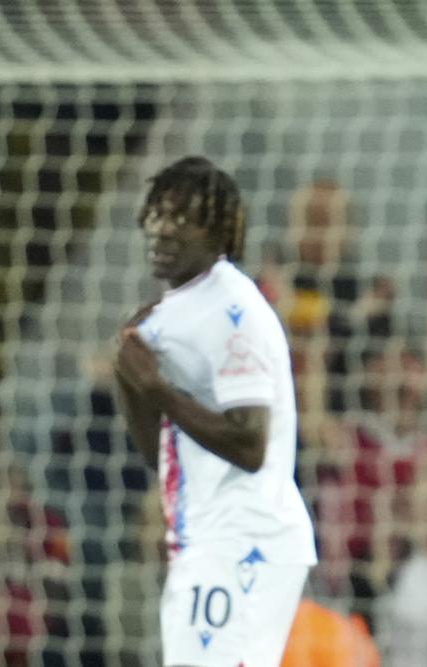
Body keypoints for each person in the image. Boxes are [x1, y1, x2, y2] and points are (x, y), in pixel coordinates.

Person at [113, 156, 317, 667]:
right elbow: (158, 454)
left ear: (220, 230)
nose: (163, 228)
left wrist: (155, 387)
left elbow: (250, 444)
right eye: (158, 213)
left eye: (183, 218)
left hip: (241, 542)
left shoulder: (233, 312)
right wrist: (131, 378)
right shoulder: (176, 312)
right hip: (205, 538)